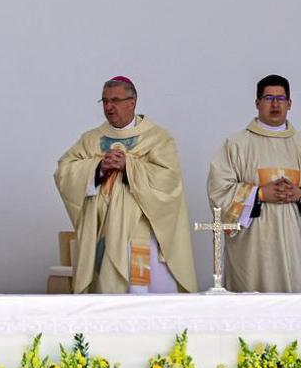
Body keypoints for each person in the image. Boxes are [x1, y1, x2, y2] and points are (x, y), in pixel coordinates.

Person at [54, 76, 198, 294]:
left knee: (146, 297)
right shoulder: (91, 139)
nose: (109, 107)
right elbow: (64, 170)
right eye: (104, 101)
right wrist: (98, 167)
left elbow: (169, 180)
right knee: (112, 295)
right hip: (105, 231)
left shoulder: (158, 138)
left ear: (132, 102)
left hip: (144, 232)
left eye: (115, 100)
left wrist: (129, 166)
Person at [206, 74, 301, 292]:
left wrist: (300, 195)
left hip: (296, 248)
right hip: (252, 251)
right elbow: (219, 190)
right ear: (257, 103)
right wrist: (259, 195)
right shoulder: (235, 145)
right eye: (269, 98)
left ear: (289, 104)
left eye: (281, 99)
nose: (275, 104)